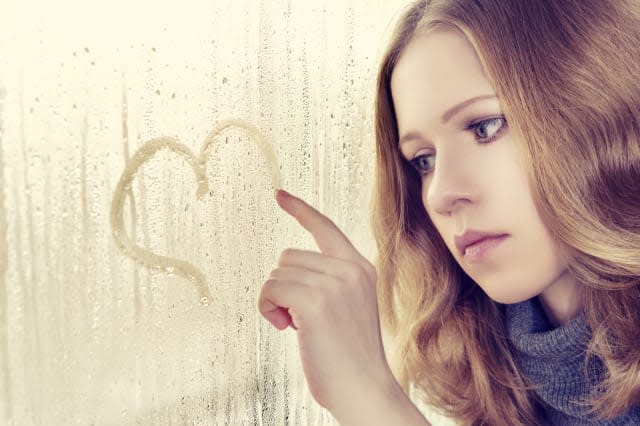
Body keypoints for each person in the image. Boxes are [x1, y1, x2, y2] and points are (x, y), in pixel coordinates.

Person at [258, 0, 640, 424]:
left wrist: (367, 392)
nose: (440, 194)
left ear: (601, 112)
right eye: (423, 160)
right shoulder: (489, 371)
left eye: (485, 127)